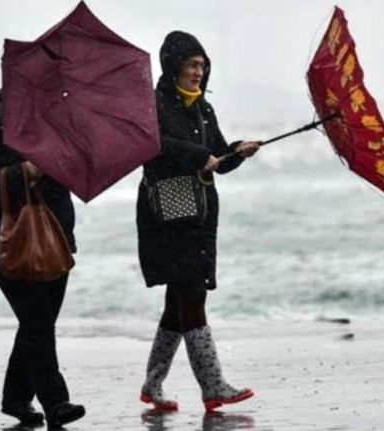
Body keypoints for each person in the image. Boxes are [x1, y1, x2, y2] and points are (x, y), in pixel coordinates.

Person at [136, 31, 260, 411]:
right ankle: (213, 386)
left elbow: (217, 158)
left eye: (203, 66)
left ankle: (152, 386)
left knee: (179, 301)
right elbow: (152, 147)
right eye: (192, 65)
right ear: (174, 66)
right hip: (166, 217)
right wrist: (196, 156)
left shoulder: (204, 109)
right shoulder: (154, 104)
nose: (198, 72)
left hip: (200, 213)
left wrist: (238, 152)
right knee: (192, 294)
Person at [0, 90, 85, 428]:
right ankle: (56, 403)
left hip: (56, 237)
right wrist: (26, 171)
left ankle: (16, 398)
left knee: (38, 323)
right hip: (11, 241)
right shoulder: (4, 124)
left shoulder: (63, 126)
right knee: (37, 322)